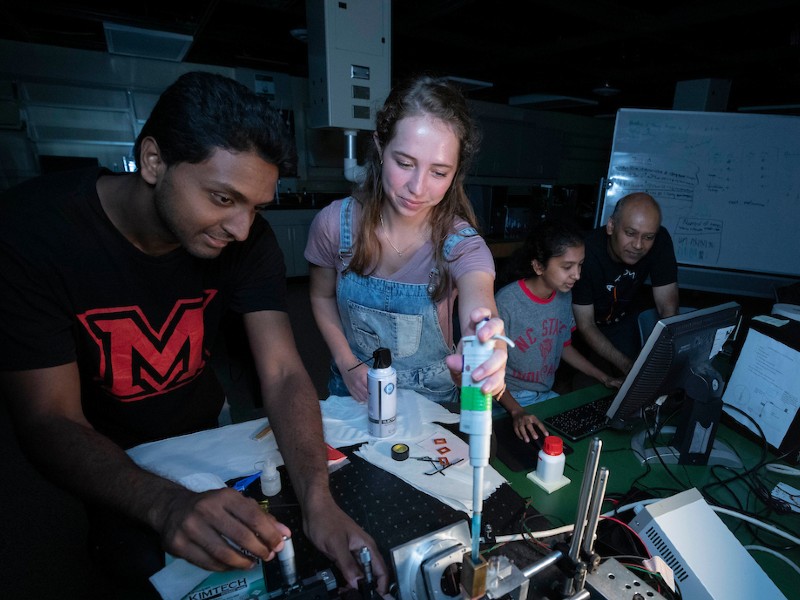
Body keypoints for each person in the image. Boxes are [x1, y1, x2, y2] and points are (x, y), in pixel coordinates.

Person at [0, 71, 387, 596]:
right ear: (154, 161)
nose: (242, 229)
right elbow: (48, 419)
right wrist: (165, 503)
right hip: (103, 447)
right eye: (223, 198)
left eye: (256, 207)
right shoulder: (35, 232)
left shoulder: (250, 241)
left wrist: (319, 501)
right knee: (132, 563)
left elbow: (281, 371)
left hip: (202, 430)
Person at [304, 74, 508, 405]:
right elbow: (321, 297)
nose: (417, 187)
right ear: (381, 147)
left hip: (433, 400)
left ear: (456, 173)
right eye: (405, 163)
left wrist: (486, 343)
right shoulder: (333, 224)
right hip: (353, 386)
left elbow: (480, 308)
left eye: (439, 172)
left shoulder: (462, 245)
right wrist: (347, 362)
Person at [494, 219, 621, 442]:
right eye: (567, 267)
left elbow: (562, 346)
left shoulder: (563, 295)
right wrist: (516, 411)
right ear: (538, 266)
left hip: (544, 396)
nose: (577, 275)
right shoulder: (506, 302)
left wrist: (604, 377)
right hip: (505, 400)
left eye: (580, 265)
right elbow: (485, 370)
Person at [572, 192, 679, 376]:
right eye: (630, 233)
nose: (638, 245)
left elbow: (667, 307)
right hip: (578, 327)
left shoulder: (660, 240)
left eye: (648, 237)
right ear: (611, 226)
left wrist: (665, 356)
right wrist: (628, 367)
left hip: (622, 321)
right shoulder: (585, 253)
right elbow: (586, 324)